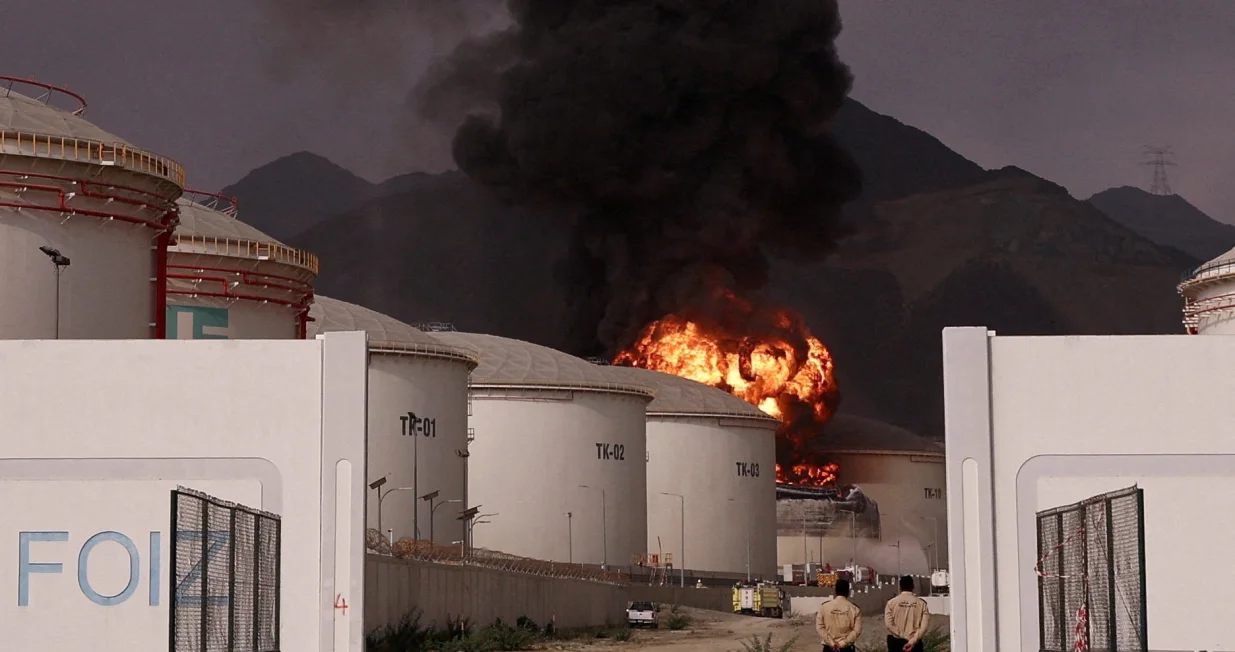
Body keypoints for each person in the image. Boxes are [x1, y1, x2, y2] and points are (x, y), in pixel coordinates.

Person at [884, 575, 931, 652]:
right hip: (915, 644)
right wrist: (912, 640)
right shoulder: (922, 604)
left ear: (900, 587)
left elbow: (889, 624)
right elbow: (924, 627)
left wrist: (904, 635)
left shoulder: (891, 603)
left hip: (896, 643)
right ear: (913, 586)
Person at [816, 578, 862, 652]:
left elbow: (820, 627)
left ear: (835, 591)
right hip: (847, 649)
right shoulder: (855, 609)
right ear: (848, 592)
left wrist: (832, 643)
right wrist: (842, 643)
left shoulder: (824, 607)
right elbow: (857, 631)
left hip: (829, 649)